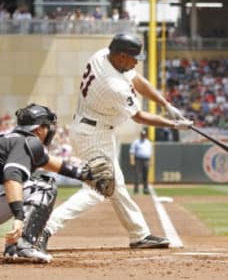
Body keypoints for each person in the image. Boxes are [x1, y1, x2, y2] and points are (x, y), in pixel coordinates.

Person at [38, 33, 193, 252]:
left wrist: (165, 103)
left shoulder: (103, 55)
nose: (136, 61)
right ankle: (43, 228)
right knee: (97, 190)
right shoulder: (113, 85)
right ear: (121, 56)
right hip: (92, 135)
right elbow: (139, 116)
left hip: (96, 130)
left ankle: (139, 235)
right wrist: (174, 125)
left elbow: (137, 79)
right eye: (133, 57)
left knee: (117, 186)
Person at [1, 103, 109, 263]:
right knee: (44, 185)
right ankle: (24, 244)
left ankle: (15, 246)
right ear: (39, 129)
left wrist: (83, 175)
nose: (50, 130)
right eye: (48, 126)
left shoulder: (10, 139)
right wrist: (18, 216)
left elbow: (49, 162)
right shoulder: (28, 142)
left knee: (31, 183)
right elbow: (12, 176)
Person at [129, 129, 152, 194]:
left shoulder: (148, 142)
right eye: (142, 135)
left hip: (146, 160)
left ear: (146, 135)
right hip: (138, 160)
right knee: (137, 174)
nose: (143, 136)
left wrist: (150, 161)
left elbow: (150, 153)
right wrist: (132, 160)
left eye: (144, 135)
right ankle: (136, 189)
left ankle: (145, 189)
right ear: (140, 135)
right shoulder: (136, 142)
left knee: (146, 175)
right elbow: (132, 151)